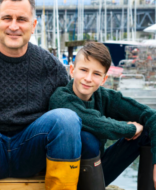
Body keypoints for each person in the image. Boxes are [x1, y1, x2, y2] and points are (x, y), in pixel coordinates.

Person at [0, 0, 82, 190]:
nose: (14, 26)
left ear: (33, 26)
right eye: (7, 18)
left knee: (67, 118)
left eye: (21, 19)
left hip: (31, 150)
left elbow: (72, 107)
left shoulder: (50, 65)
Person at [49, 42, 155, 189]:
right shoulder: (60, 98)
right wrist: (129, 129)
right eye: (84, 70)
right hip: (65, 177)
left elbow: (151, 115)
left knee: (147, 132)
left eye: (96, 74)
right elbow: (94, 122)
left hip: (95, 173)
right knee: (88, 138)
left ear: (104, 79)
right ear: (72, 71)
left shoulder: (104, 97)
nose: (88, 78)